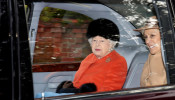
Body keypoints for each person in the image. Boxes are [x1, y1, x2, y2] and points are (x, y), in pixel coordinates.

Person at [58, 18, 127, 93]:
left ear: (111, 43)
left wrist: (73, 91)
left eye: (102, 41)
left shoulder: (118, 61)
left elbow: (109, 92)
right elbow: (77, 82)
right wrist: (69, 88)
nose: (97, 44)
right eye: (94, 40)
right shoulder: (89, 57)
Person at [134, 16, 167, 87]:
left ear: (164, 36)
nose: (147, 41)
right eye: (145, 37)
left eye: (152, 36)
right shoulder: (151, 55)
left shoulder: (167, 56)